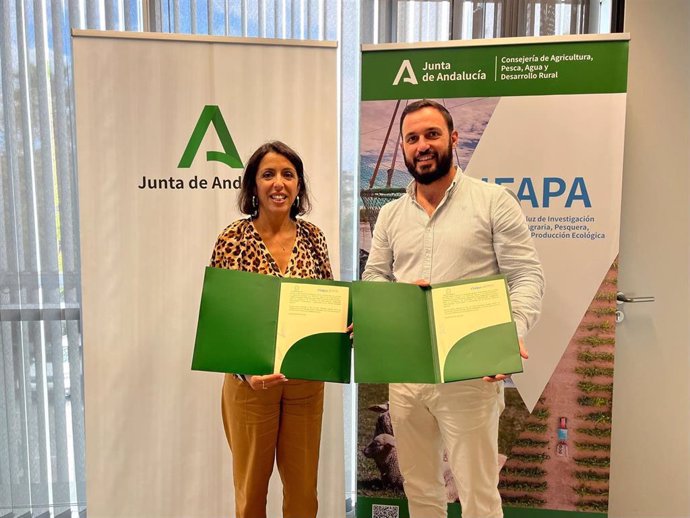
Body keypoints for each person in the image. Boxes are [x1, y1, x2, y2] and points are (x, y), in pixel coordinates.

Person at [362, 99, 544, 518]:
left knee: (478, 495)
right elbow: (374, 278)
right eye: (412, 138)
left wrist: (509, 332)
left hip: (469, 373)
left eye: (431, 135)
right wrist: (396, 295)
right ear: (404, 149)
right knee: (421, 492)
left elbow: (527, 276)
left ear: (453, 139)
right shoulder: (390, 215)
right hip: (407, 375)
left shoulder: (493, 201)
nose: (422, 145)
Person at [209, 141, 333, 518]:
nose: (278, 183)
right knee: (250, 495)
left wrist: (345, 324)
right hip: (250, 384)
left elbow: (329, 300)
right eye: (268, 174)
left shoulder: (314, 237)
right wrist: (247, 372)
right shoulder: (232, 239)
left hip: (306, 383)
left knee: (303, 494)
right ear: (253, 186)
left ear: (298, 187)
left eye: (288, 175)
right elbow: (221, 319)